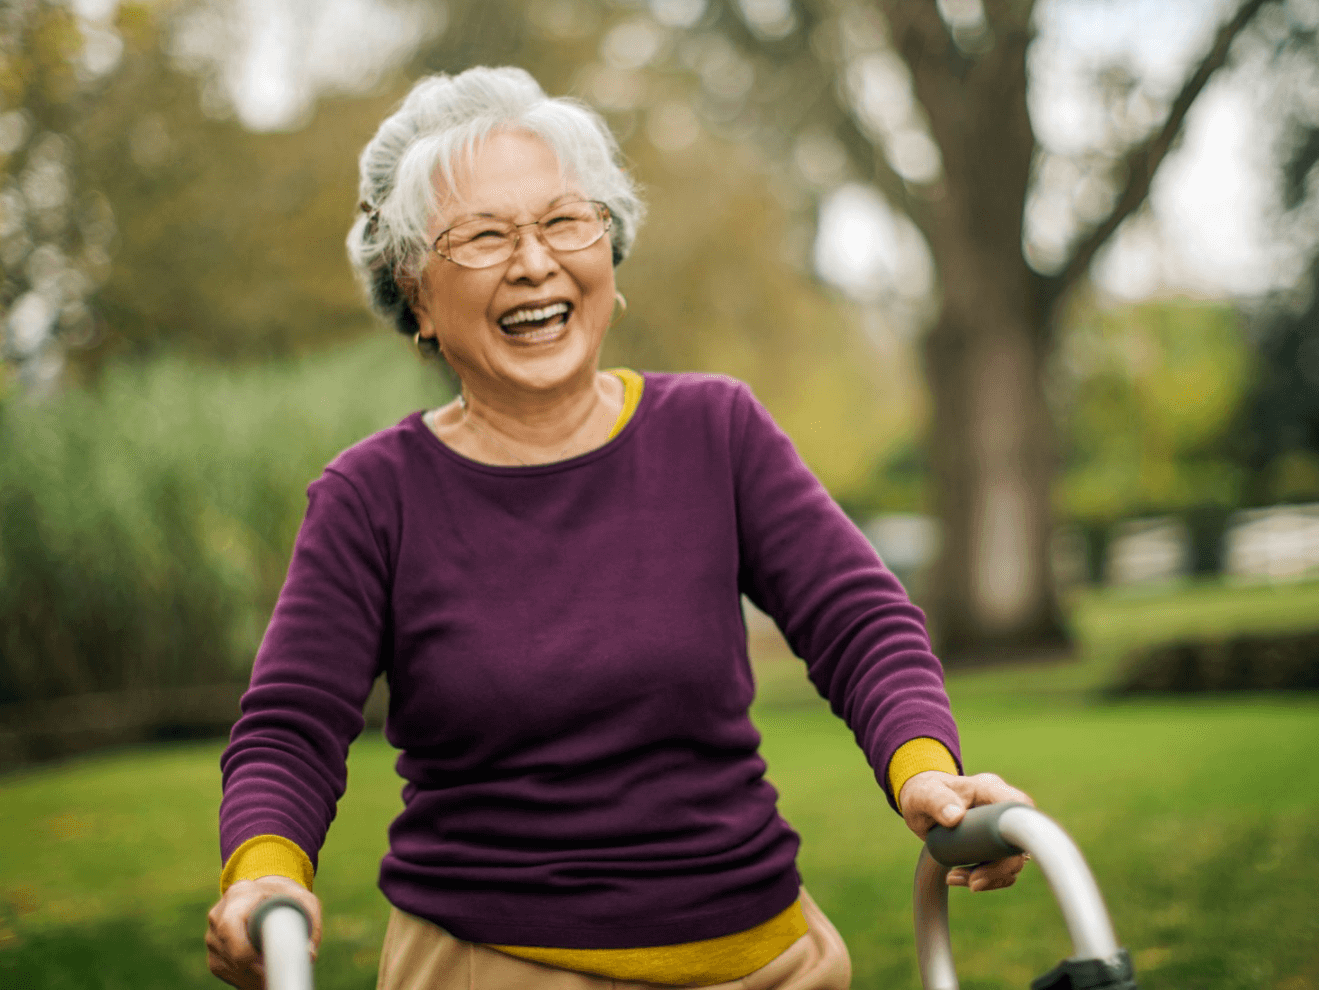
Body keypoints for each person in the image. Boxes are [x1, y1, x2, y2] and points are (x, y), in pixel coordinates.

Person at [205, 66, 1032, 990]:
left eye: (565, 221)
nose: (534, 262)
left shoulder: (716, 431)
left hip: (770, 959)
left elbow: (859, 621)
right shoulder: (371, 496)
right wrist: (264, 879)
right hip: (501, 968)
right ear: (418, 296)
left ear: (609, 248)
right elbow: (292, 727)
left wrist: (925, 772)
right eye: (482, 237)